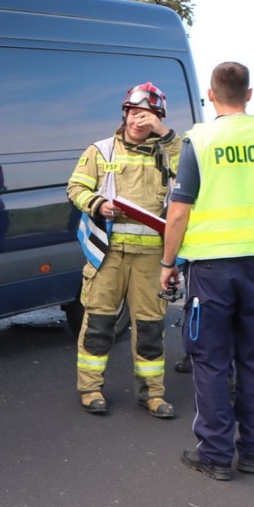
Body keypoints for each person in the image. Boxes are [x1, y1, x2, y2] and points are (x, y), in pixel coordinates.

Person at [160, 62, 254, 481]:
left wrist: (169, 264)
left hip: (211, 268)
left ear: (210, 94)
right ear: (250, 94)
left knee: (210, 360)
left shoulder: (200, 139)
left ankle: (216, 455)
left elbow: (179, 212)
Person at [67, 83, 181, 418]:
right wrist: (97, 203)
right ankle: (90, 389)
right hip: (108, 254)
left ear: (157, 118)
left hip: (150, 258)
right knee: (100, 323)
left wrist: (166, 134)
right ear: (124, 113)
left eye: (146, 115)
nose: (137, 120)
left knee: (150, 328)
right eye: (132, 113)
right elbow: (75, 187)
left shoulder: (169, 152)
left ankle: (152, 394)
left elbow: (194, 171)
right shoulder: (101, 150)